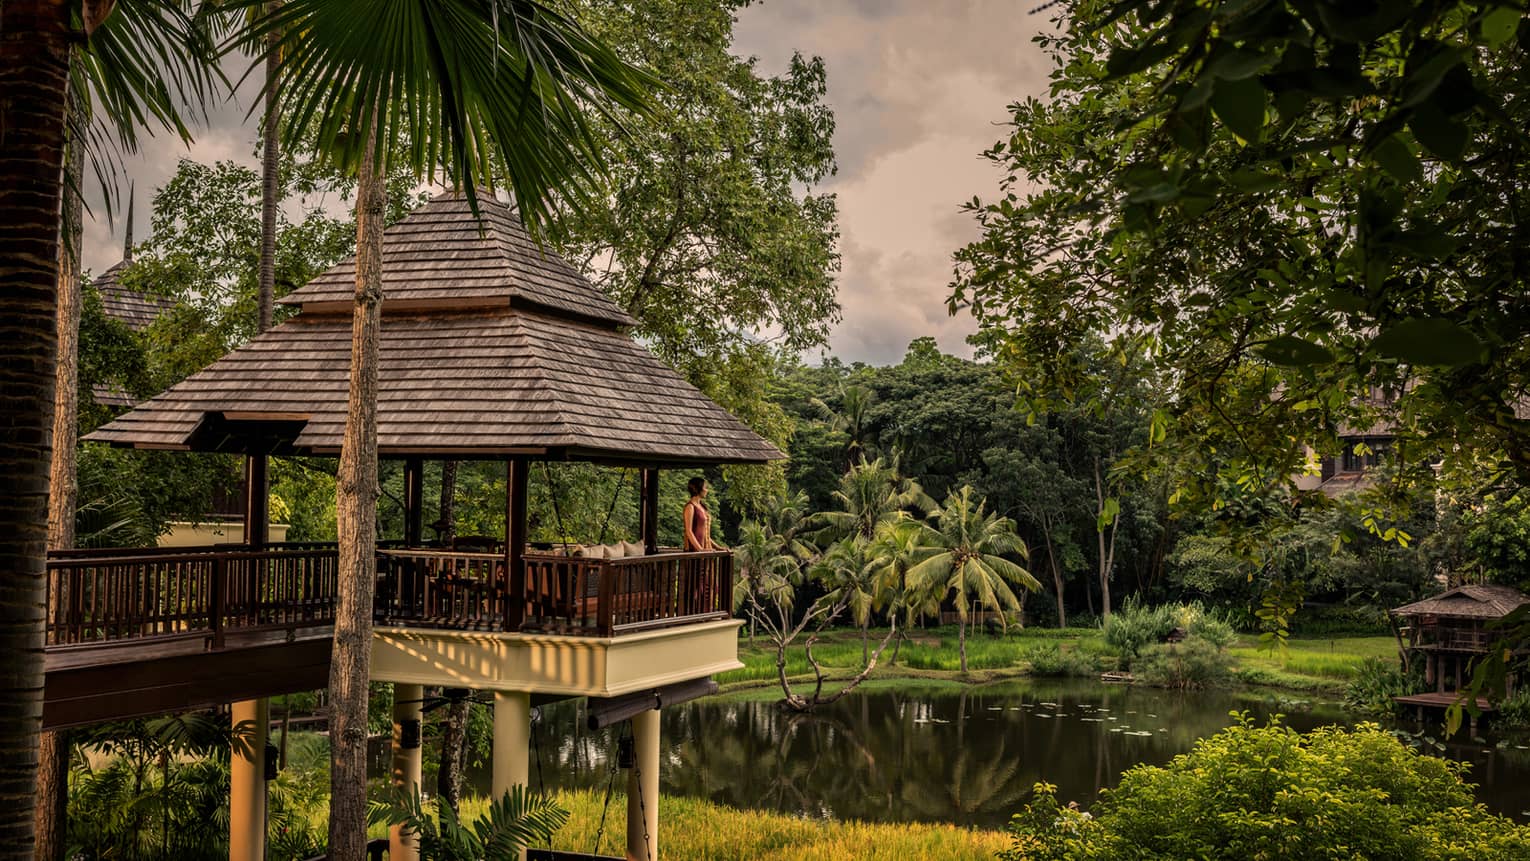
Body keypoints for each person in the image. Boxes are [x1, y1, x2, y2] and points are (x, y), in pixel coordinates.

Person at [682, 476, 726, 551]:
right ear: (698, 489)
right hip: (694, 551)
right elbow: (688, 531)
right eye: (705, 487)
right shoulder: (690, 507)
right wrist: (700, 549)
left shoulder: (702, 507)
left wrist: (718, 547)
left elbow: (706, 535)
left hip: (705, 550)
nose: (707, 490)